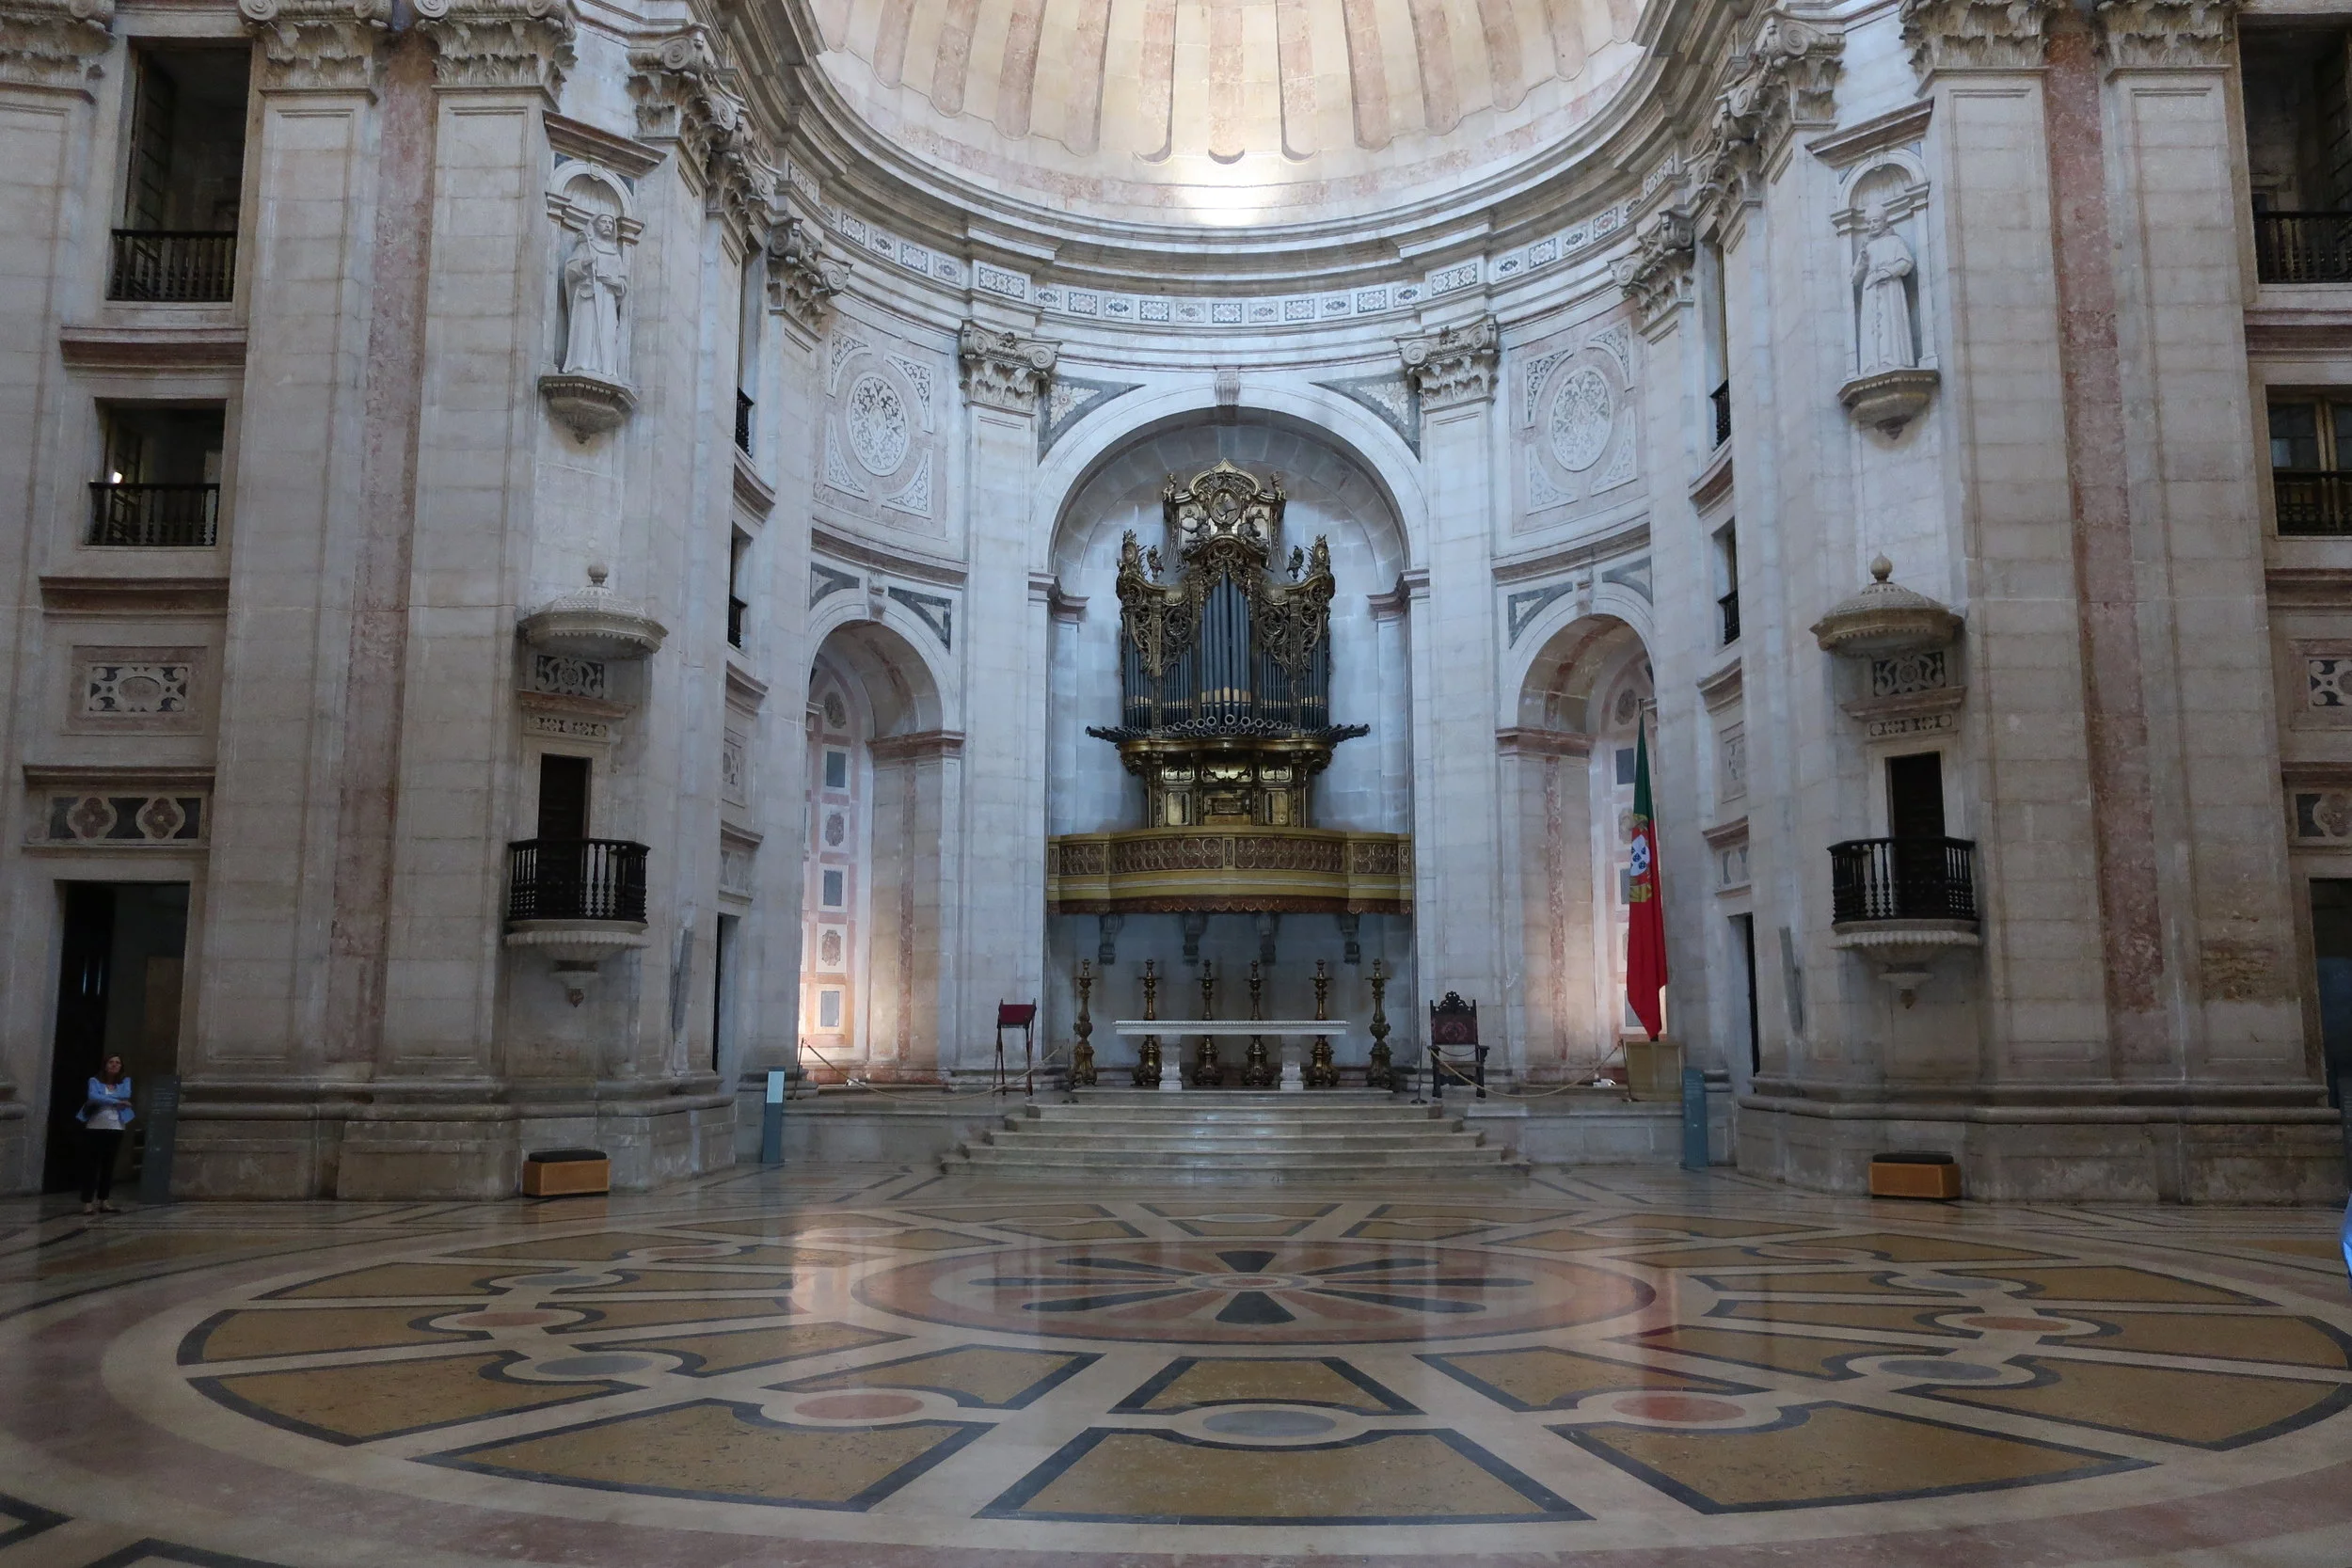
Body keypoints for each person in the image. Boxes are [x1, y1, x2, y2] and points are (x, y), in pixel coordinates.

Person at [77, 1056, 135, 1215]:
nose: (114, 1065)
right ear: (105, 1065)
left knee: (108, 1166)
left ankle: (104, 1200)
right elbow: (94, 1097)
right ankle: (87, 1202)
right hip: (95, 1126)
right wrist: (116, 1101)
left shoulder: (125, 1082)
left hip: (116, 1127)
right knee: (91, 1166)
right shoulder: (94, 1081)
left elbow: (126, 1094)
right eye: (111, 1062)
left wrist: (109, 1100)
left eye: (118, 1063)